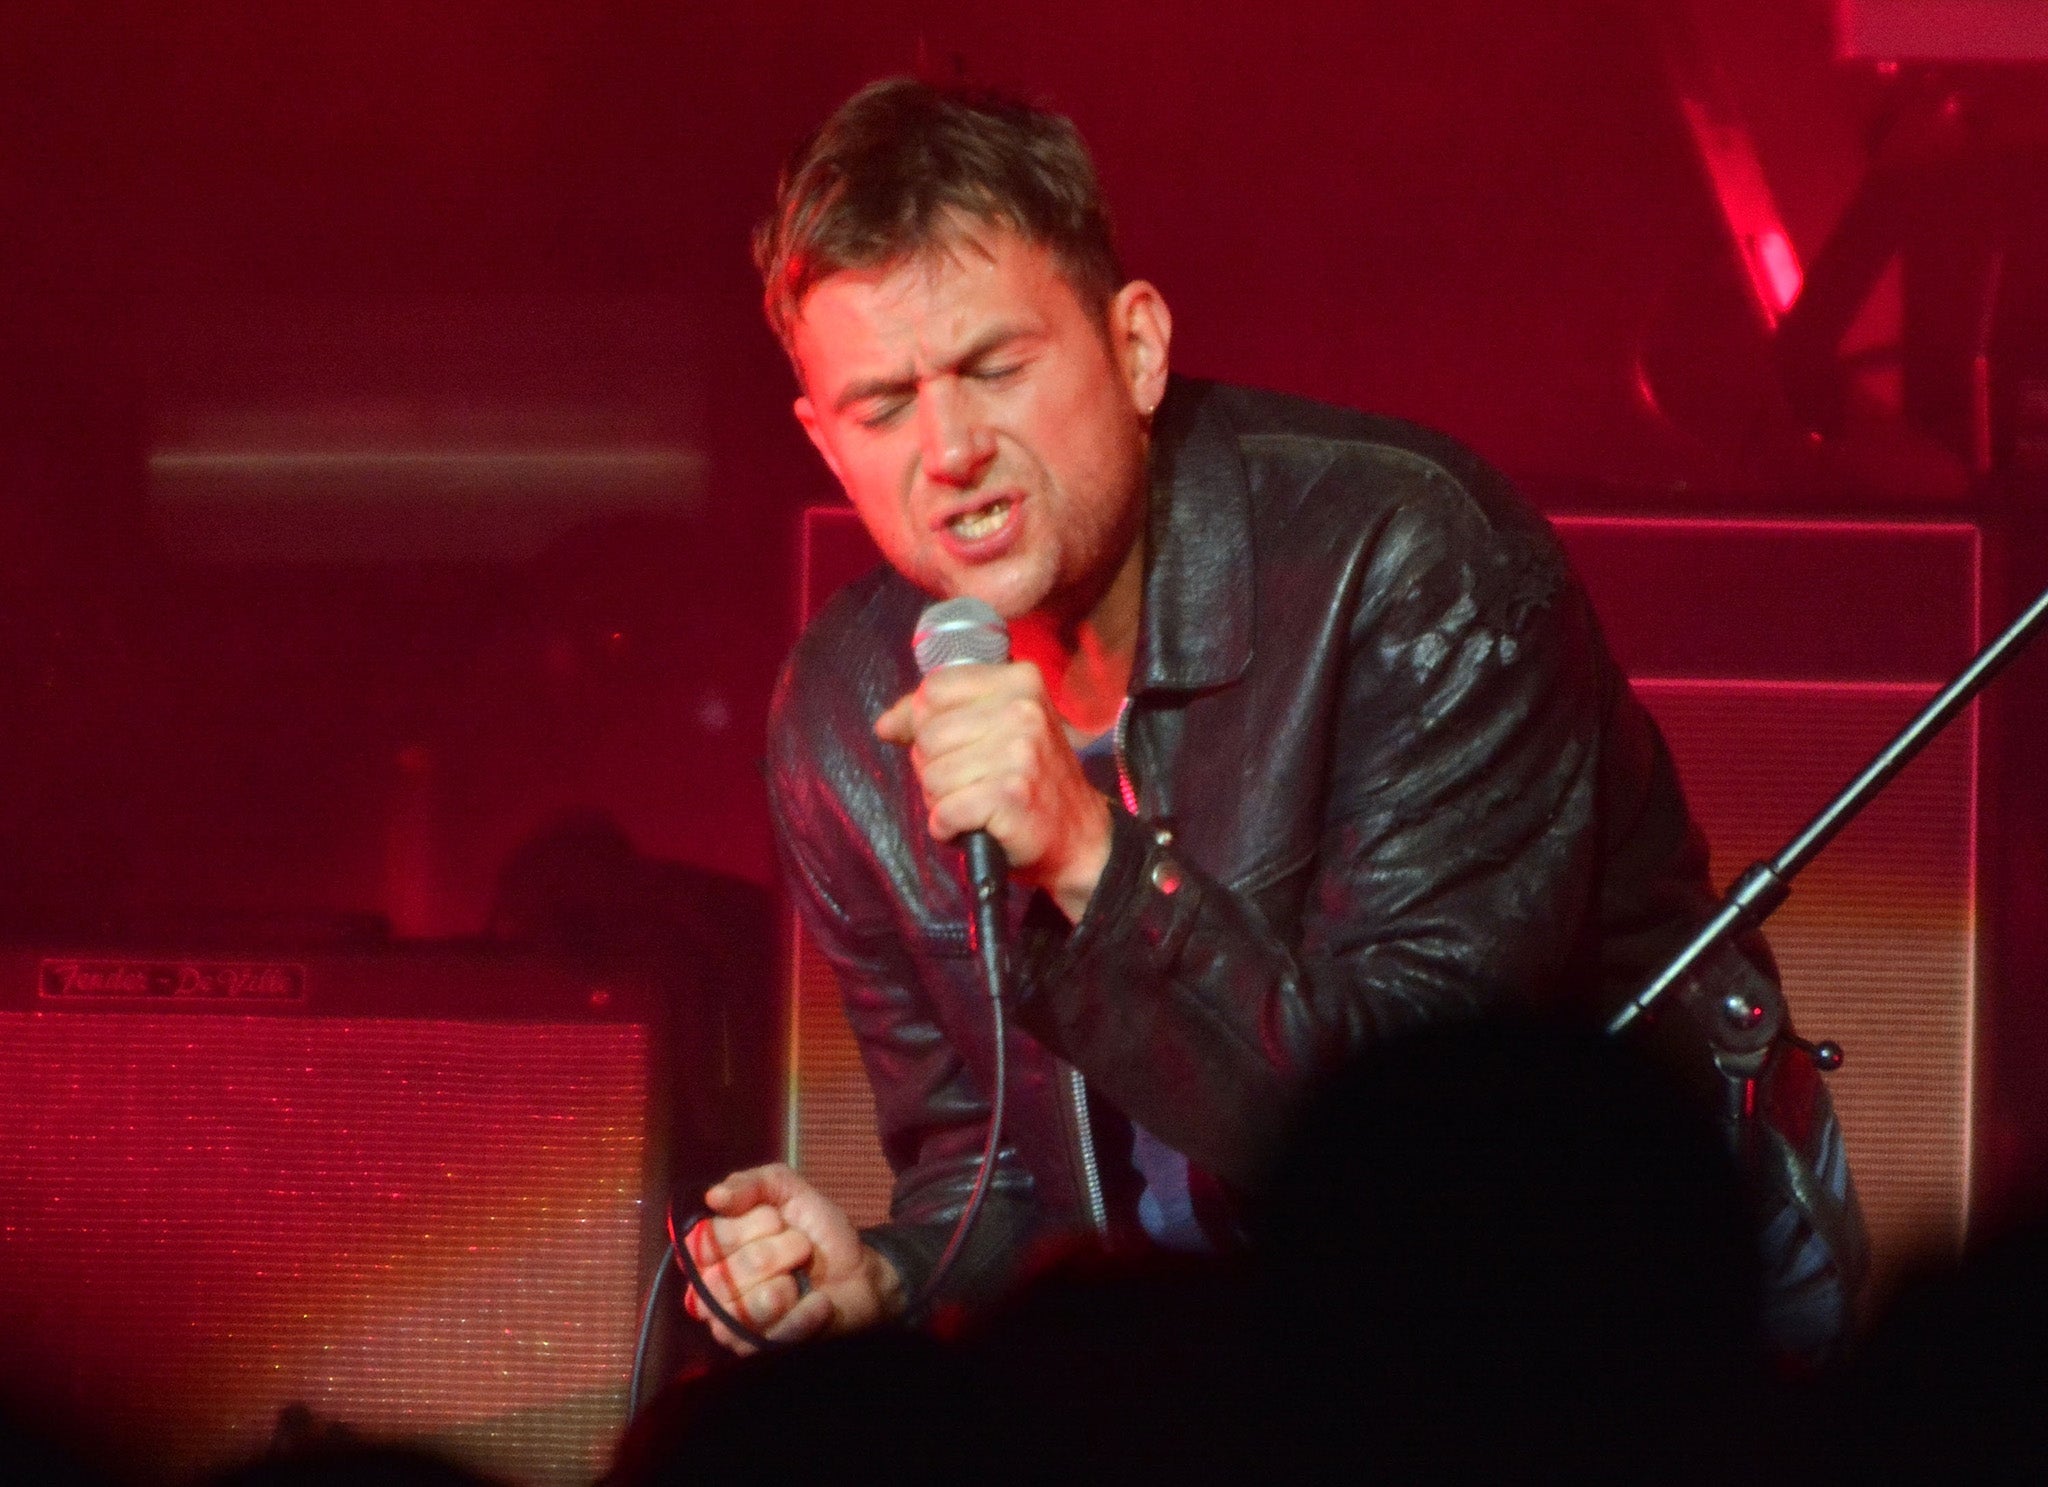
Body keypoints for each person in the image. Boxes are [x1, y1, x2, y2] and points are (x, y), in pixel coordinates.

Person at [681, 77, 1865, 1361]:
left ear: (1135, 347)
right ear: (822, 439)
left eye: (992, 368)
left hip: (1606, 1269)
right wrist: (886, 1279)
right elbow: (987, 1176)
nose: (950, 446)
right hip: (1257, 1322)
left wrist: (1087, 858)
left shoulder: (1408, 561)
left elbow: (1419, 1154)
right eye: (884, 404)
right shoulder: (845, 718)